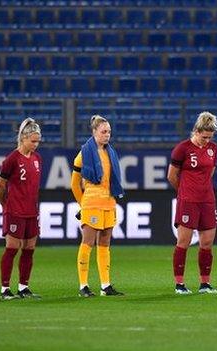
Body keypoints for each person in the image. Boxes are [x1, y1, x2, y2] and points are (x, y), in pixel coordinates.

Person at [71, 115, 124, 297]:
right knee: (88, 242)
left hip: (109, 202)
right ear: (94, 132)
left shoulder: (111, 152)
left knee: (105, 243)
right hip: (92, 204)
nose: (107, 135)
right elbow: (74, 184)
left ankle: (105, 285)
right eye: (103, 132)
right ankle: (83, 286)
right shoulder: (84, 154)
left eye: (109, 132)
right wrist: (83, 205)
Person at [168, 111, 217, 294]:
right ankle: (179, 284)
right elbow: (172, 176)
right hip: (188, 201)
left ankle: (205, 284)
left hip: (207, 201)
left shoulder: (213, 149)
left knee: (207, 243)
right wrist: (185, 192)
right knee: (184, 241)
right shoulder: (182, 149)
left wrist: (201, 189)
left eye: (210, 137)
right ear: (197, 131)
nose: (207, 140)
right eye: (204, 137)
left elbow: (210, 173)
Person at [0, 118, 43, 299]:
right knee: (12, 248)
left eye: (38, 141)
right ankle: (5, 289)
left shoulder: (37, 159)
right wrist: (5, 204)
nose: (36, 144)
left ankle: (23, 287)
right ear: (23, 138)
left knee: (29, 248)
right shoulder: (12, 159)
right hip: (15, 210)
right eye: (33, 141)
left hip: (31, 211)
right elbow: (0, 185)